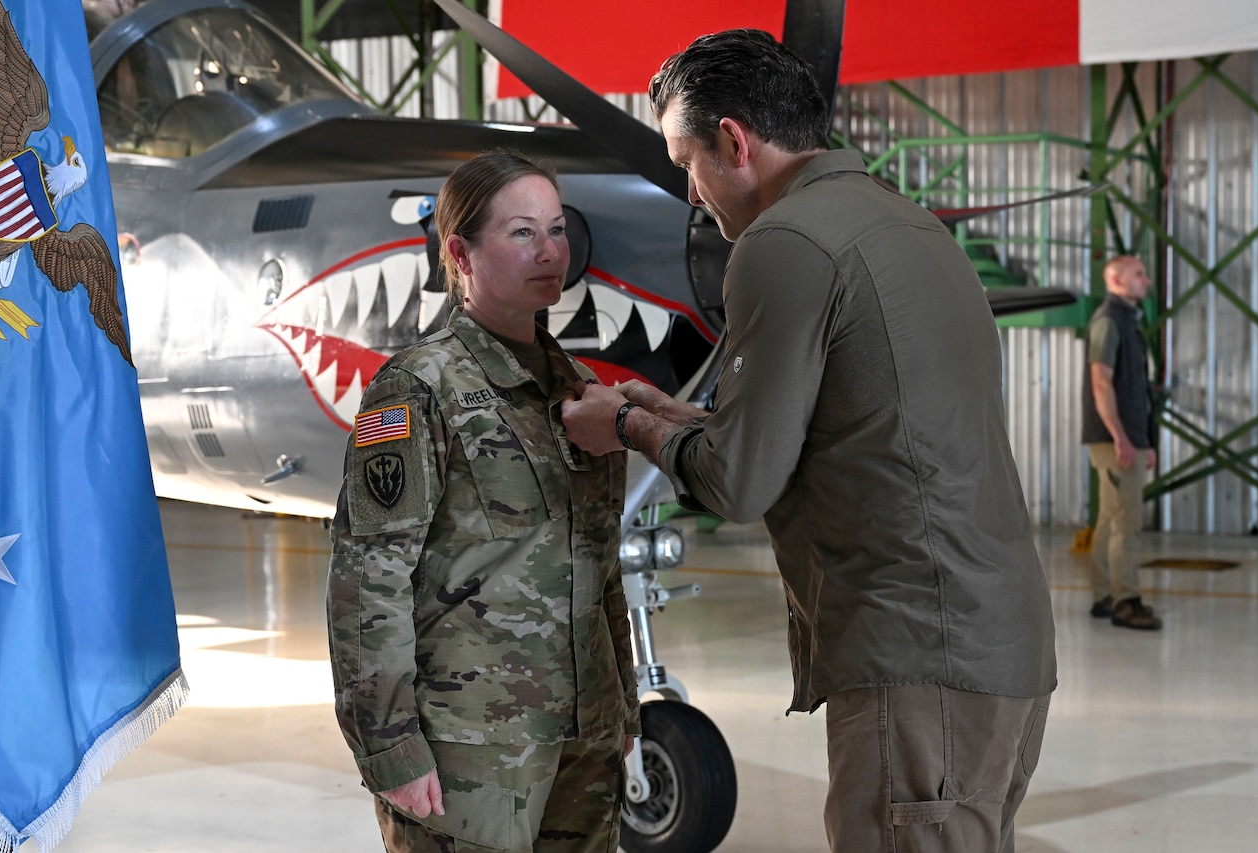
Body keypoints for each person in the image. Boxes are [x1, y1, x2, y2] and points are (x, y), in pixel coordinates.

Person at [562, 29, 1057, 853]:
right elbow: (836, 432)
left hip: (916, 661)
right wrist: (667, 409)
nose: (690, 193)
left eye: (688, 162)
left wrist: (625, 427)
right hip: (998, 644)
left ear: (735, 141)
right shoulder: (908, 225)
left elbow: (740, 483)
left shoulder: (780, 242)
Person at [327, 149, 640, 853]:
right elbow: (366, 583)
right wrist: (389, 748)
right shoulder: (417, 389)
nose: (549, 251)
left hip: (583, 743)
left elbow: (601, 564)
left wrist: (620, 707)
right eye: (522, 232)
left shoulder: (579, 390)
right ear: (460, 252)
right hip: (471, 754)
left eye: (558, 230)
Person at [1082, 255, 1162, 630]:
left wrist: (1144, 439)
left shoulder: (1127, 323)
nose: (1145, 280)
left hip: (1128, 437)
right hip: (1116, 440)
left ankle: (1104, 595)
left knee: (1111, 518)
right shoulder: (1108, 322)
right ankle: (1126, 601)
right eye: (1138, 275)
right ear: (1114, 280)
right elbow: (1101, 382)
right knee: (1126, 523)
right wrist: (1121, 437)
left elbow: (1137, 391)